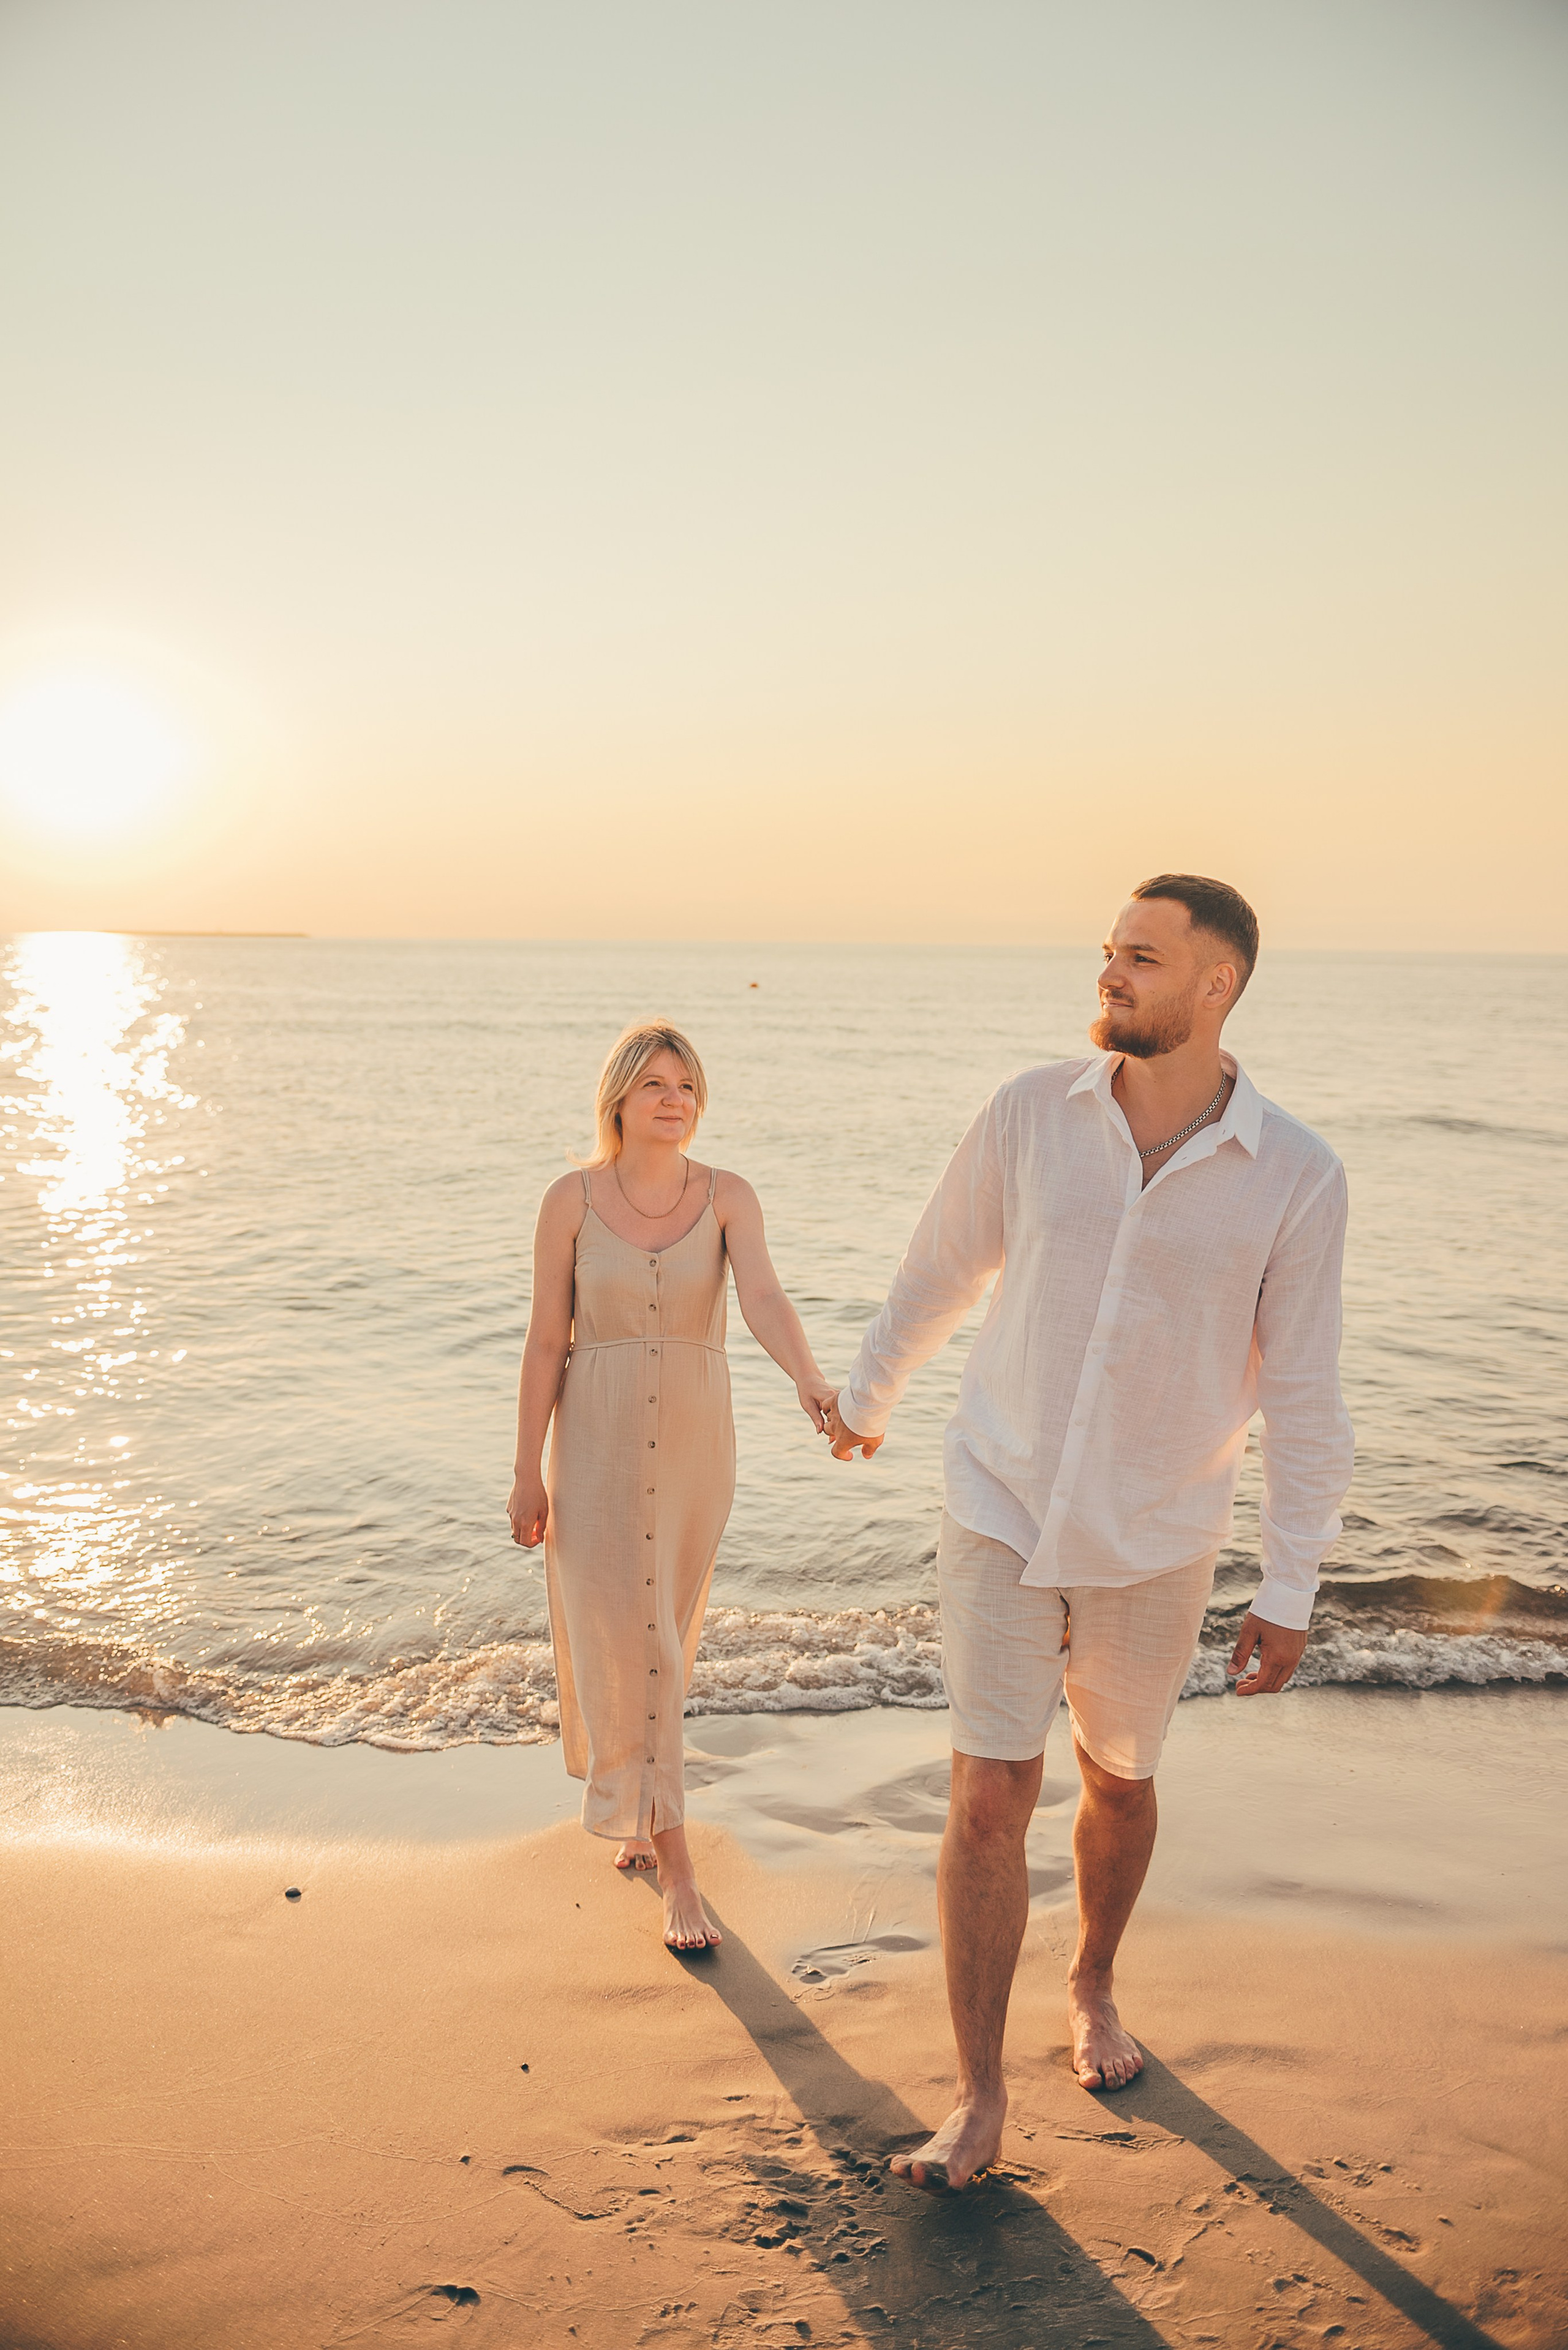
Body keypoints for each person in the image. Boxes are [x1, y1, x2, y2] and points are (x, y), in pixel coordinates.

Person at [825, 875, 1354, 2191]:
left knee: (1115, 1777)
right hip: (996, 1497)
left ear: (1213, 985)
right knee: (990, 1788)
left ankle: (1093, 1980)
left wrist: (1287, 1582)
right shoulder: (1027, 1114)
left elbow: (1301, 1391)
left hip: (1156, 1531)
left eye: (1139, 957)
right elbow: (940, 1266)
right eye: (1108, 950)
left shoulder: (1294, 1174)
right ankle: (978, 2097)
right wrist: (866, 1398)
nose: (1108, 971)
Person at [509, 1021, 834, 1952]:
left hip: (695, 1442)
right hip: (598, 1441)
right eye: (654, 1082)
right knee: (627, 1630)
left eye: (686, 1084)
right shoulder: (568, 1202)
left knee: (664, 1636)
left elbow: (765, 1298)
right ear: (618, 1096)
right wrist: (526, 1466)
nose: (673, 1098)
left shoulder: (728, 1196)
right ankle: (673, 1858)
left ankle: (647, 1812)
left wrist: (810, 1380)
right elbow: (543, 1342)